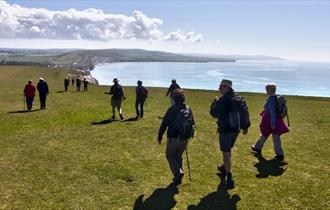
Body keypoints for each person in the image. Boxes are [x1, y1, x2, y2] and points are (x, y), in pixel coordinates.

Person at [210, 79, 248, 189]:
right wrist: (245, 127)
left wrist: (214, 103)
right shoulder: (238, 97)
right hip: (236, 129)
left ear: (226, 87)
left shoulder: (224, 99)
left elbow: (214, 113)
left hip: (226, 129)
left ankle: (229, 178)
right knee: (228, 149)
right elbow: (245, 113)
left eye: (221, 86)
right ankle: (223, 167)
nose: (219, 88)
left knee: (226, 153)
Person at [158, 89, 195, 184]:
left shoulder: (172, 109)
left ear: (173, 98)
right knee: (178, 156)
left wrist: (160, 135)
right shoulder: (188, 108)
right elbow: (193, 123)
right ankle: (179, 175)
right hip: (185, 138)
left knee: (170, 155)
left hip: (173, 137)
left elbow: (164, 123)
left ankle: (178, 172)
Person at [251, 83, 289, 161]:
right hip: (277, 120)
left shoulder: (272, 98)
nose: (266, 91)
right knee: (273, 137)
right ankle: (258, 147)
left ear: (271, 90)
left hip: (270, 120)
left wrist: (272, 123)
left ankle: (278, 154)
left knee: (266, 134)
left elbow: (272, 112)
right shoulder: (276, 97)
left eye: (267, 89)